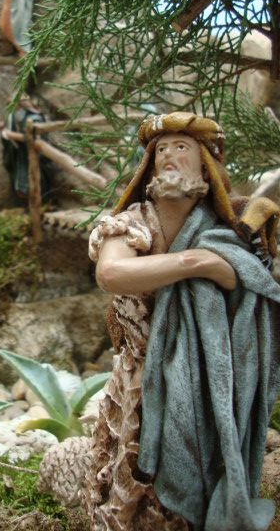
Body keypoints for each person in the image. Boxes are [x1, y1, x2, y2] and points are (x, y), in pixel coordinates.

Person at [84, 112, 280, 531]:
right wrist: (196, 262)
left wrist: (220, 263)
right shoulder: (133, 222)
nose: (169, 156)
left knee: (202, 449)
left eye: (181, 147)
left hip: (206, 372)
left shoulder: (226, 228)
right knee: (134, 464)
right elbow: (112, 273)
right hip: (141, 372)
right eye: (161, 150)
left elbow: (245, 279)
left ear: (205, 164)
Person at [0, 94, 53, 202]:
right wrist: (4, 130)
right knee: (23, 183)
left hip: (36, 155)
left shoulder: (34, 118)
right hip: (22, 154)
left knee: (37, 180)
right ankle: (31, 204)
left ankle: (45, 203)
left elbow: (35, 139)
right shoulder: (16, 116)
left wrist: (12, 135)